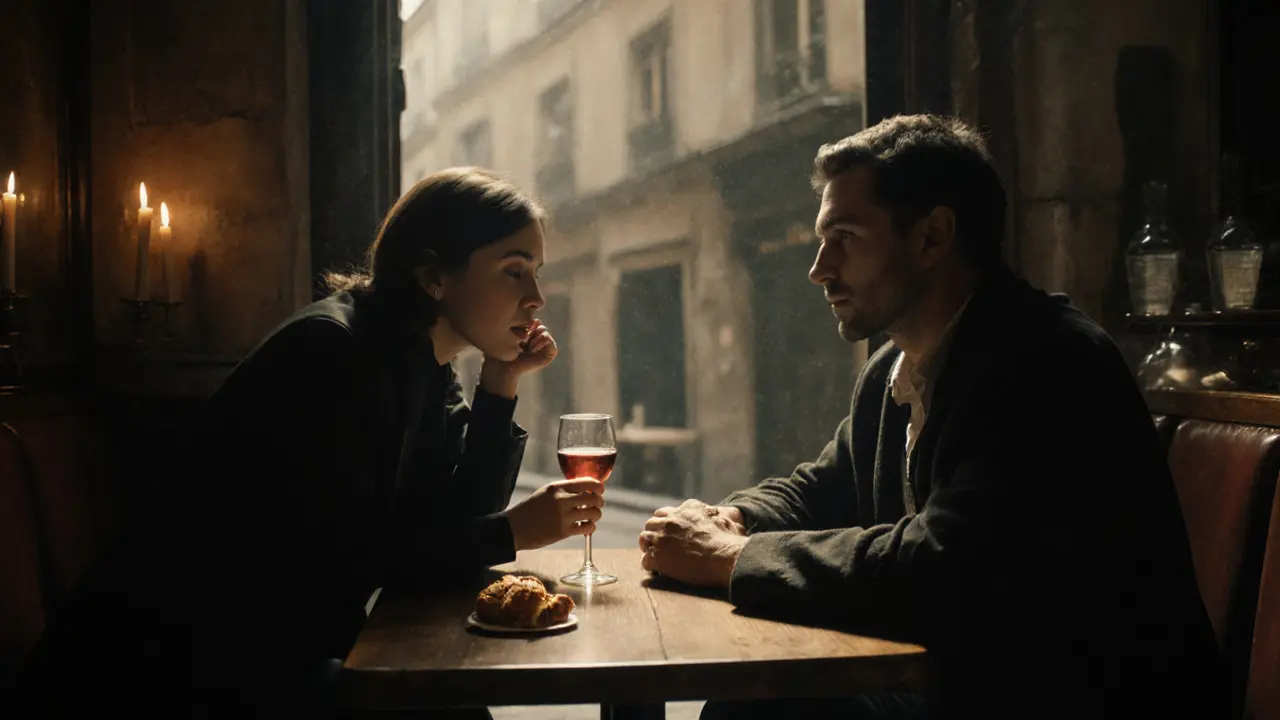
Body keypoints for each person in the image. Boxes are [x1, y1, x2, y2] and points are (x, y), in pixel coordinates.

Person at [637, 116, 1225, 719]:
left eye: (843, 236)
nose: (819, 268)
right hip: (971, 683)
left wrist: (728, 557)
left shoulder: (1047, 364)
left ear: (931, 237)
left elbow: (944, 567)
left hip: (1079, 699)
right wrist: (727, 517)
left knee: (760, 709)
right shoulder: (895, 366)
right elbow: (825, 486)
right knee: (755, 700)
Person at [21, 168, 604, 718]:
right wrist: (511, 531)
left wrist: (501, 383)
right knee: (444, 703)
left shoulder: (421, 361)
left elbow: (449, 521)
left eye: (536, 271)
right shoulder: (332, 353)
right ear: (434, 278)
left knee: (449, 696)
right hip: (167, 667)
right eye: (514, 269)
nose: (537, 298)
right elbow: (346, 558)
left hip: (270, 648)